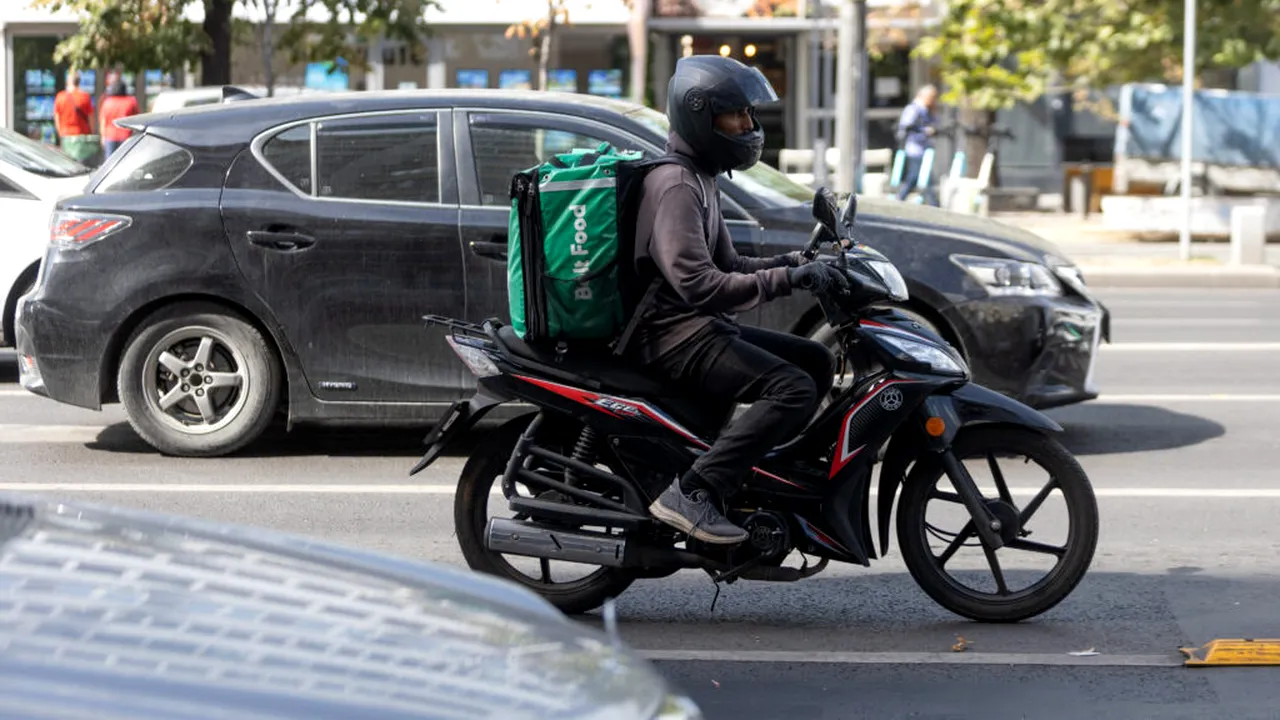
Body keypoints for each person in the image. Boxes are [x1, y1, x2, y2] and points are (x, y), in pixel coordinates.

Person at [629, 54, 850, 545]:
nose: (749, 126)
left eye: (750, 115)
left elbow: (731, 266)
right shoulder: (676, 185)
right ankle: (695, 490)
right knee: (791, 388)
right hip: (671, 335)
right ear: (701, 115)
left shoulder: (700, 177)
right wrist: (791, 281)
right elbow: (701, 286)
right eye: (738, 116)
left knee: (815, 359)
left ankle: (758, 472)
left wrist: (798, 265)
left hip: (692, 326)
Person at [894, 84, 939, 206]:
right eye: (932, 97)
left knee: (914, 177)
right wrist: (925, 130)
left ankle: (899, 199)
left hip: (922, 148)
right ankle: (934, 204)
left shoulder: (926, 110)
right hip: (914, 148)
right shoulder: (914, 109)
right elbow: (907, 126)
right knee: (921, 177)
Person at [53, 70, 96, 161]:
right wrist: (92, 132)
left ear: (68, 82)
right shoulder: (85, 96)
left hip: (66, 135)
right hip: (81, 136)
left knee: (67, 162)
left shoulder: (60, 97)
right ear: (79, 81)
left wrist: (60, 134)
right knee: (81, 163)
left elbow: (57, 119)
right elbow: (91, 118)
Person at [99, 72, 139, 158]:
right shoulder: (131, 101)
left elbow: (103, 121)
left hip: (110, 135)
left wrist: (103, 136)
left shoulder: (107, 102)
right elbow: (136, 119)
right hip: (126, 136)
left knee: (110, 161)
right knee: (125, 160)